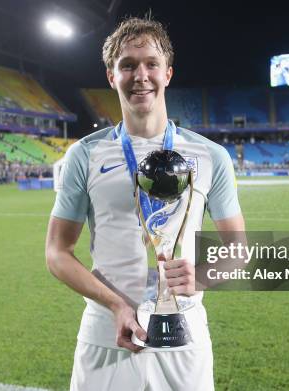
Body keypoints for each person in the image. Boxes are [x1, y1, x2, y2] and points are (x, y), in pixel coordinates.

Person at [45, 17, 244, 391]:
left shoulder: (211, 156)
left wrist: (201, 276)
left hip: (184, 334)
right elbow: (57, 252)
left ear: (167, 73)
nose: (140, 75)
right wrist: (115, 304)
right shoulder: (84, 156)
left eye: (151, 63)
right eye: (128, 65)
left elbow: (238, 248)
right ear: (111, 77)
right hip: (107, 332)